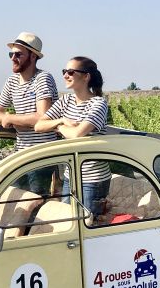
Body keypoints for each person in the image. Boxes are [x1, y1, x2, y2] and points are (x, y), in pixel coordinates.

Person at [34, 56, 111, 215]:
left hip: (93, 179)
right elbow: (38, 126)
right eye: (64, 71)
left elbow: (77, 134)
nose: (65, 75)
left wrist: (58, 127)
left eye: (70, 71)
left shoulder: (98, 103)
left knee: (87, 225)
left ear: (86, 76)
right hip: (71, 174)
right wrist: (62, 120)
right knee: (67, 219)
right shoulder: (66, 100)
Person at [0, 32, 59, 195]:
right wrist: (13, 119)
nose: (13, 58)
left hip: (41, 158)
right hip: (20, 155)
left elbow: (42, 117)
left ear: (33, 57)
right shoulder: (12, 82)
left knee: (35, 204)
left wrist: (10, 118)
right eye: (11, 54)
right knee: (14, 198)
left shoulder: (43, 78)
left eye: (18, 54)